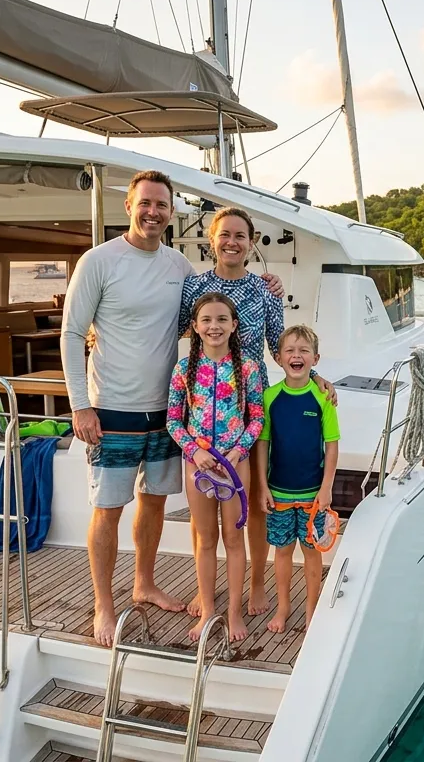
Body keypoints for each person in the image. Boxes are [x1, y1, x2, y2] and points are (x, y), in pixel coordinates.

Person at [61, 171, 281, 647]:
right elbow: (73, 333)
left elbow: (217, 307)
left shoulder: (180, 268)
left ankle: (144, 582)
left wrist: (266, 285)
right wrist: (80, 405)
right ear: (129, 205)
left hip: (166, 413)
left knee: (154, 502)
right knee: (107, 508)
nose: (154, 212)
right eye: (146, 203)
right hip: (112, 408)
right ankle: (104, 605)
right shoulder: (98, 261)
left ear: (171, 212)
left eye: (162, 205)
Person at [179, 206, 335, 617]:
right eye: (224, 234)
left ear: (251, 243)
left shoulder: (265, 291)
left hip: (251, 409)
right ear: (212, 239)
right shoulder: (193, 288)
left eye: (240, 236)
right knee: (206, 518)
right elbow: (177, 331)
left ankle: (259, 582)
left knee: (253, 504)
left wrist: (314, 376)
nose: (232, 242)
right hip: (204, 403)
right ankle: (206, 591)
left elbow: (278, 347)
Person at [167, 292, 265, 642]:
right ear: (194, 326)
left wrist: (239, 451)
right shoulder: (184, 370)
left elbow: (257, 418)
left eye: (222, 319)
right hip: (199, 467)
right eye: (206, 320)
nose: (214, 326)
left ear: (234, 325)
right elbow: (174, 422)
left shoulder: (248, 369)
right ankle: (208, 609)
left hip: (236, 465)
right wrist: (194, 451)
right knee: (206, 539)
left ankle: (235, 611)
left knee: (233, 538)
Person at [255, 325, 338, 634]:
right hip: (279, 493)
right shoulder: (270, 397)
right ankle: (283, 607)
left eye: (304, 350)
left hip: (313, 494)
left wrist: (326, 487)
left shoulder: (323, 397)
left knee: (312, 551)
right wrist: (263, 486)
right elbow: (263, 444)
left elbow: (332, 445)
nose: (296, 355)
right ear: (278, 359)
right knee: (283, 550)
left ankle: (311, 607)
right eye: (290, 350)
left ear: (315, 358)